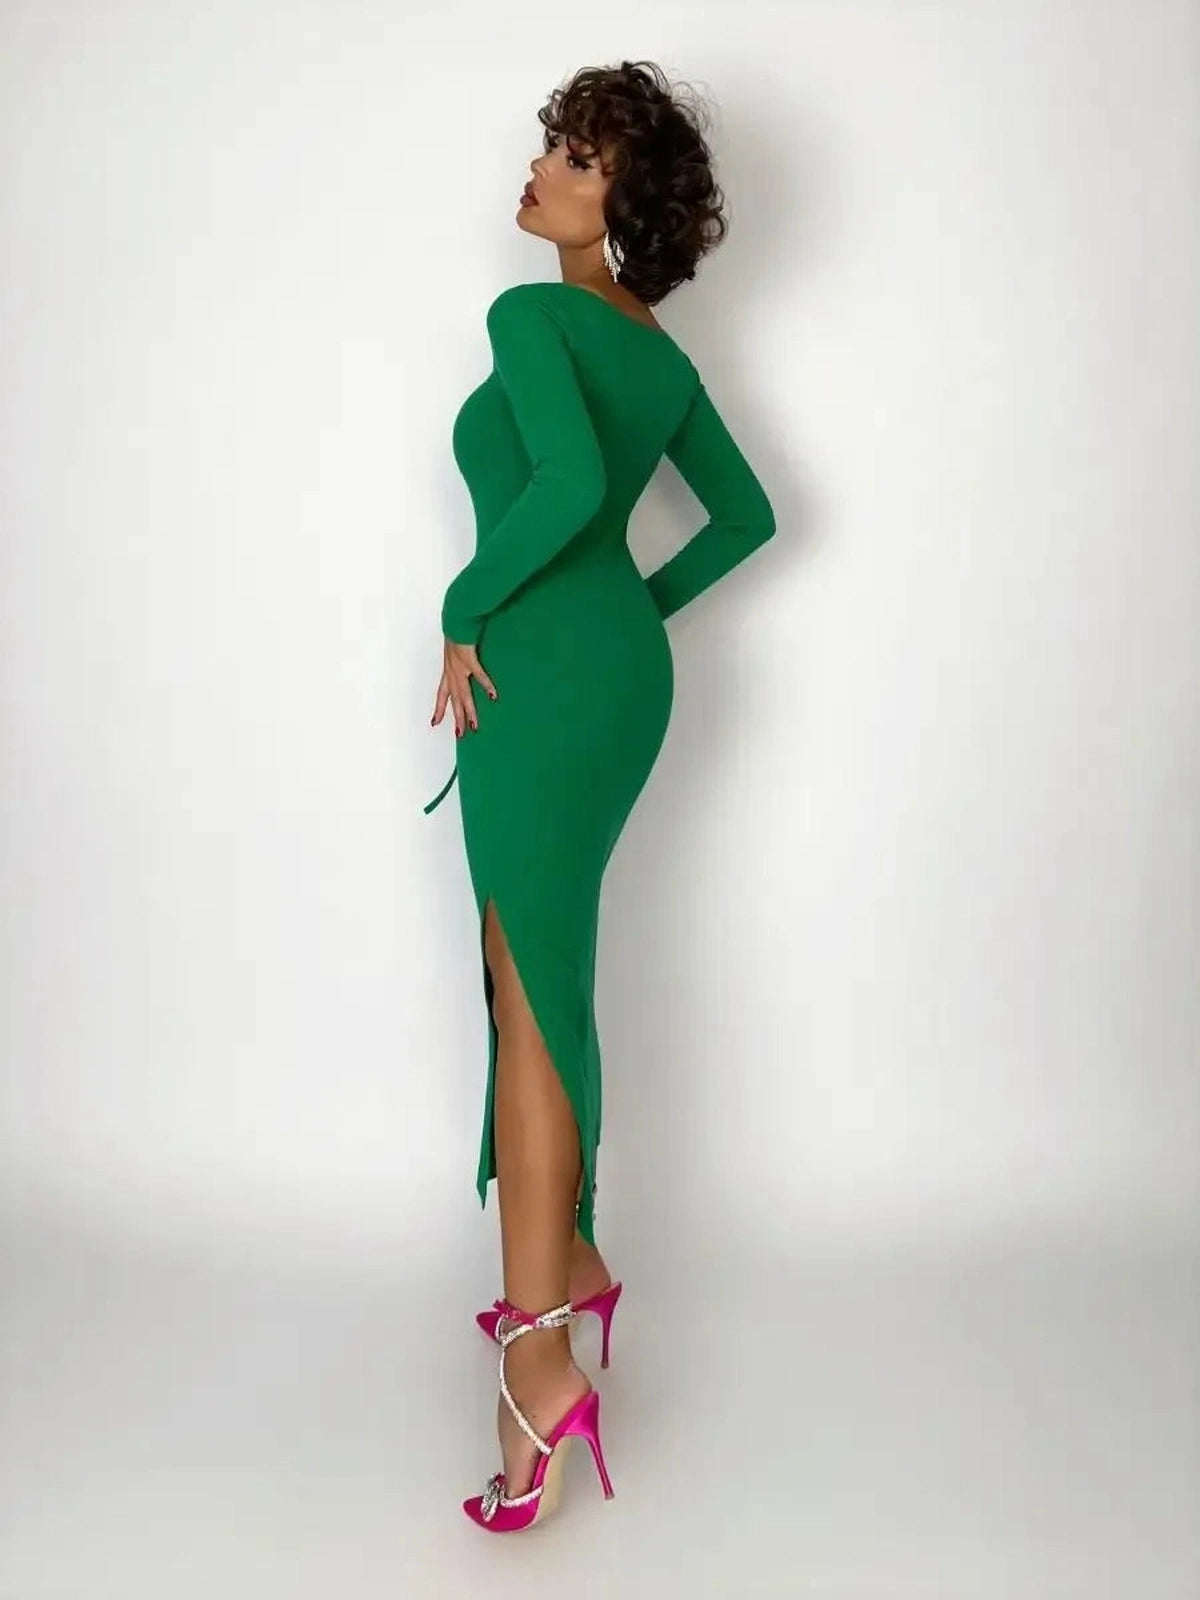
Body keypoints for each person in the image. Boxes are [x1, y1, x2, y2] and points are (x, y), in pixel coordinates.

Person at [423, 59, 777, 1532]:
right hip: (613, 676)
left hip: (537, 679)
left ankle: (543, 1361)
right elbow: (746, 519)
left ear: (624, 200)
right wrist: (634, 614)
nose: (542, 171)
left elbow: (564, 488)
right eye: (552, 147)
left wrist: (463, 605)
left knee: (531, 999)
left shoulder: (534, 316)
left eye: (576, 157)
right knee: (540, 983)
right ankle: (562, 1279)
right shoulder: (661, 360)